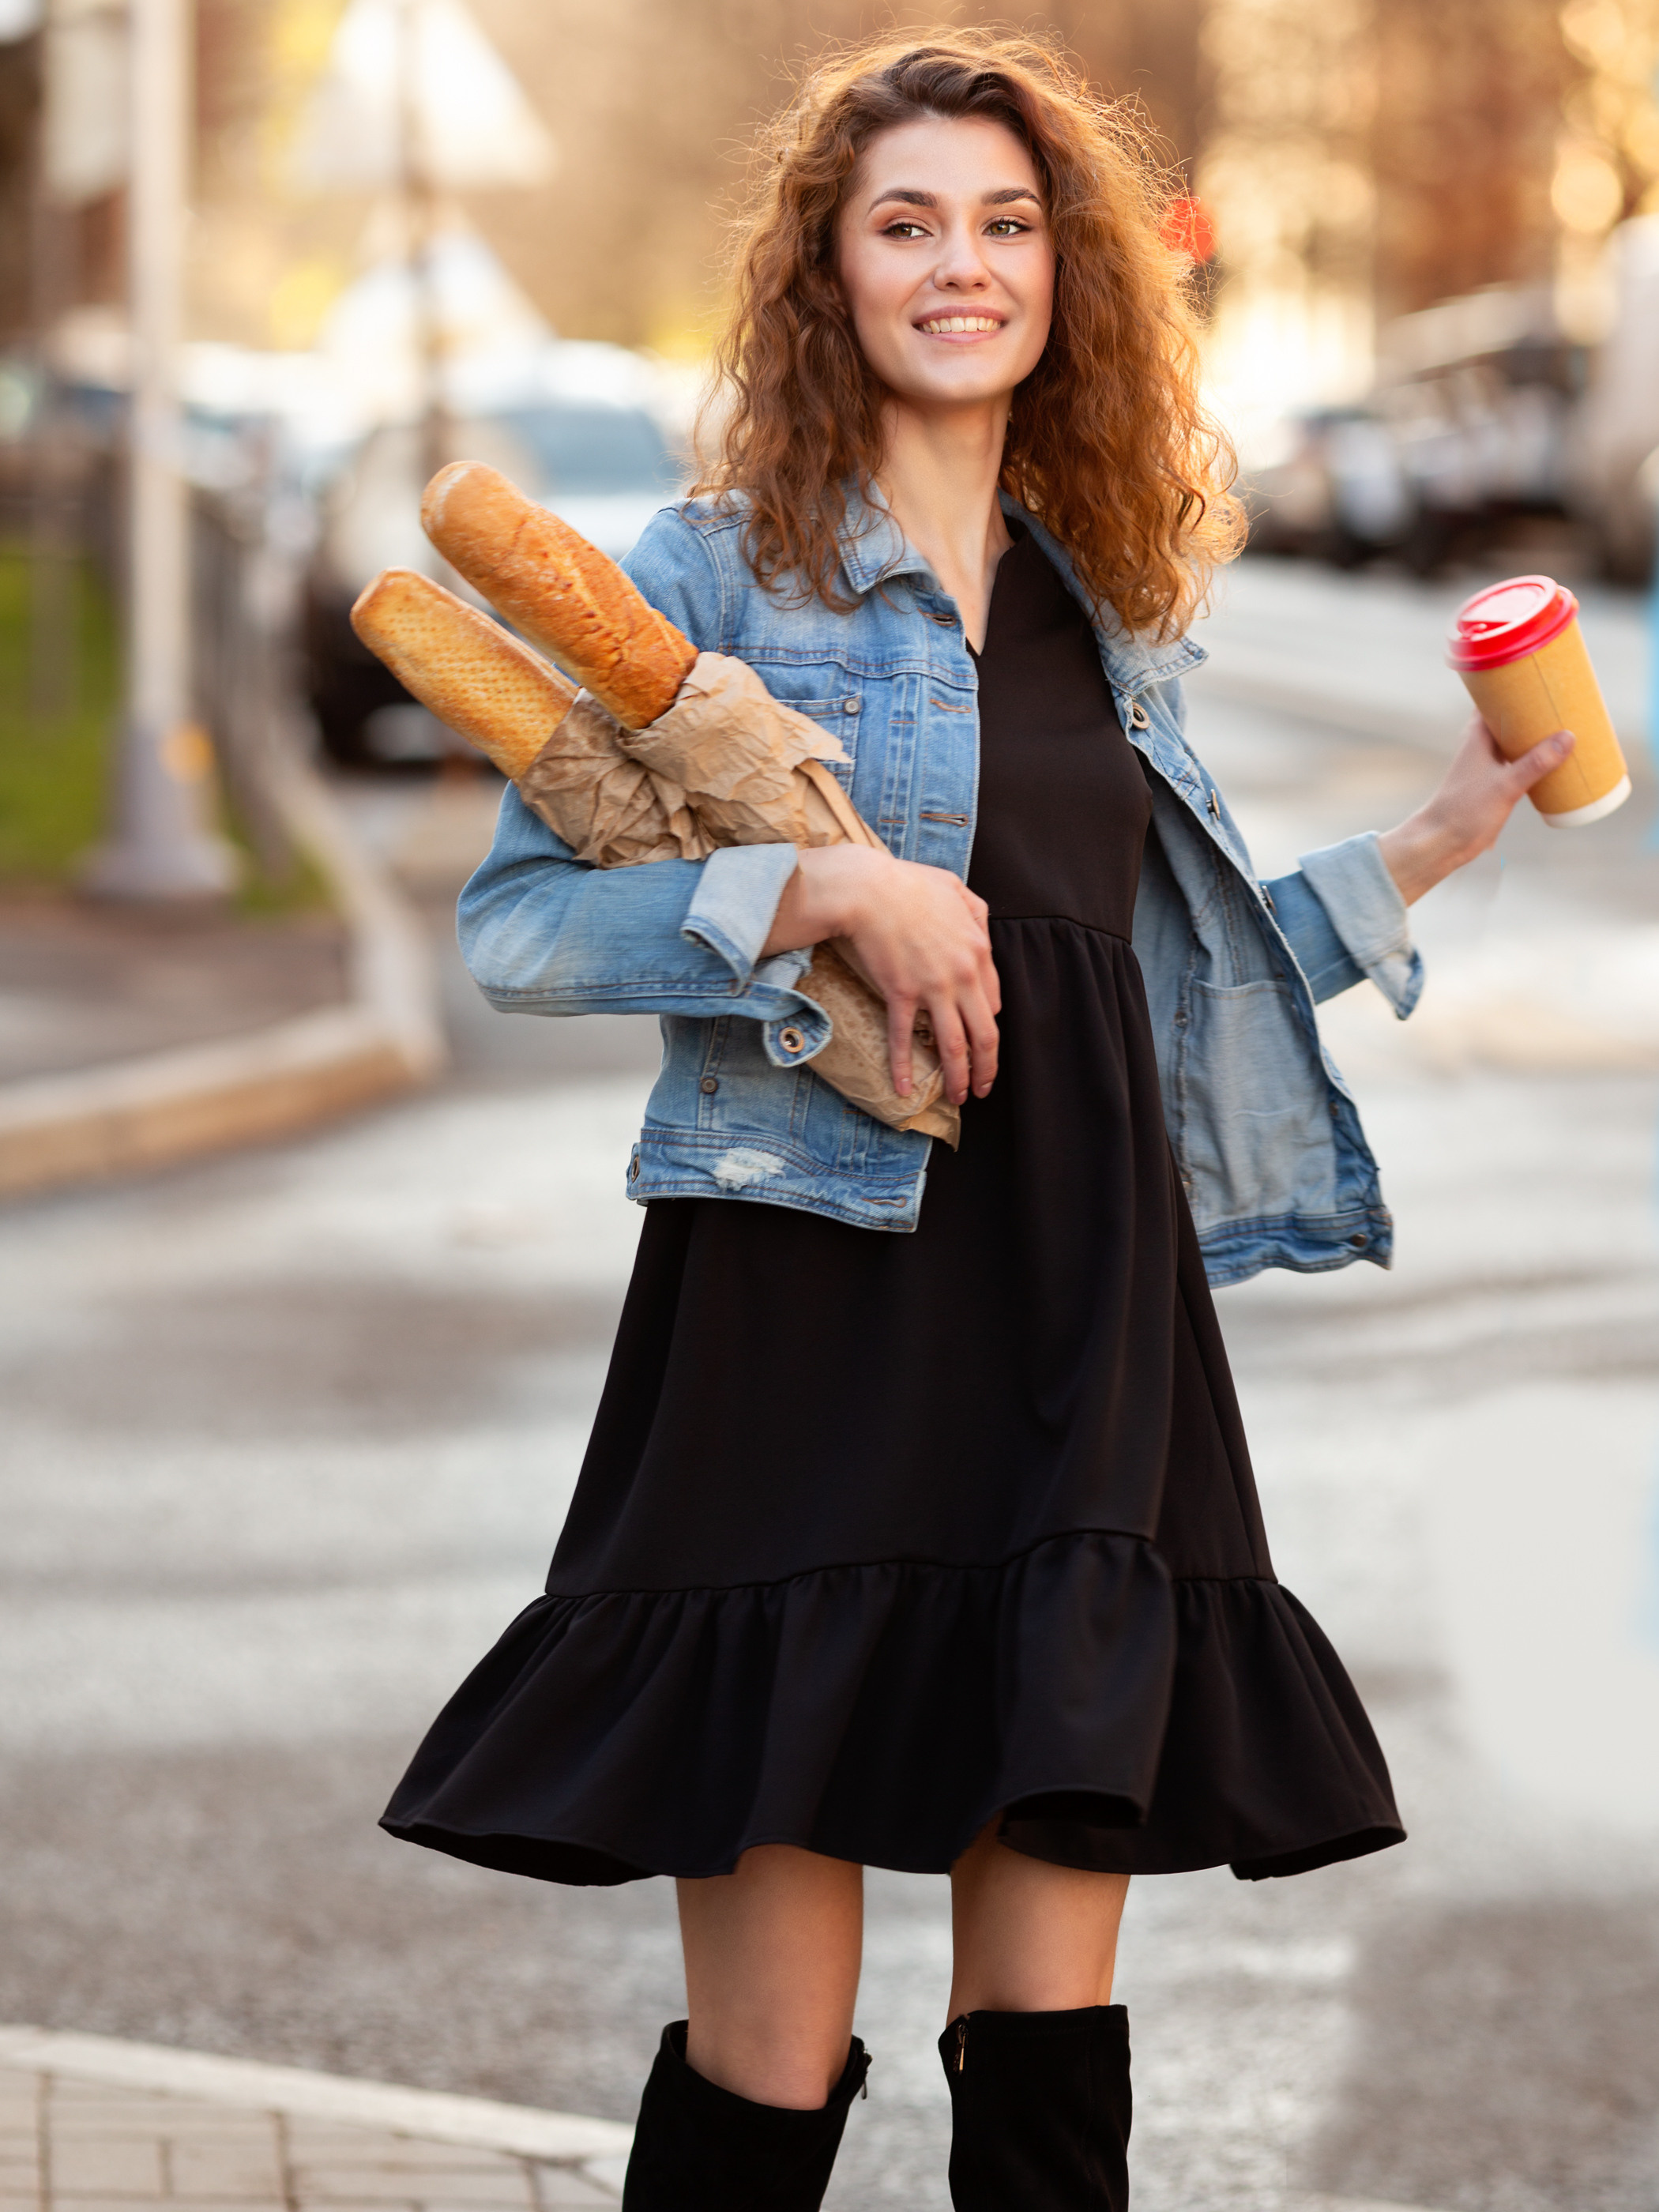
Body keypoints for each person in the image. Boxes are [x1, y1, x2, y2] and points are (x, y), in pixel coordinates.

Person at [382, 34, 1576, 2211]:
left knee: (1047, 2048)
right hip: (803, 1302)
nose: (963, 266)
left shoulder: (1102, 595)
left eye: (1006, 225)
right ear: (825, 274)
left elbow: (1131, 976)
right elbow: (524, 935)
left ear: (1065, 271)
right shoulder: (715, 570)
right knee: (767, 2054)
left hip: (1078, 1327)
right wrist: (818, 882)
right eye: (907, 223)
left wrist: (1416, 849)